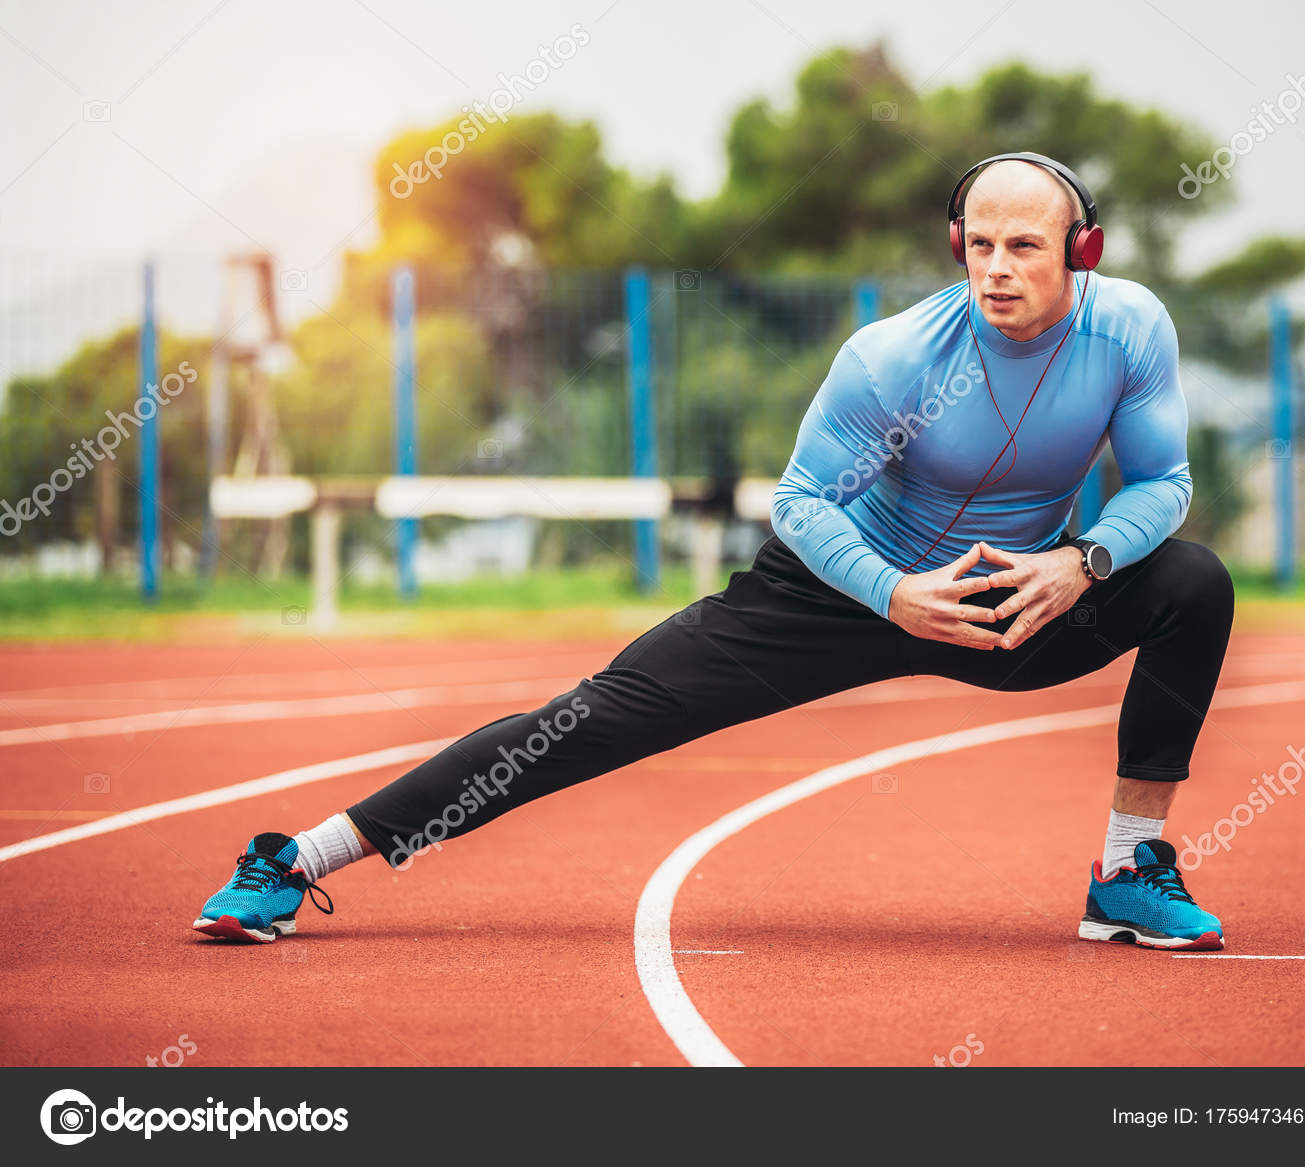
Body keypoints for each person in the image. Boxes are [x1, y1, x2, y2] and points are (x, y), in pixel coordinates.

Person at [194, 151, 1234, 952]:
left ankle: (1126, 872)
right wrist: (889, 592)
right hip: (838, 589)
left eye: (1025, 249)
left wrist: (1082, 562)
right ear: (958, 244)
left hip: (1012, 596)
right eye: (980, 248)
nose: (997, 271)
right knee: (583, 722)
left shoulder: (1129, 332)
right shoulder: (891, 359)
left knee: (1191, 583)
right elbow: (803, 501)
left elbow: (1163, 485)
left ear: (1081, 253)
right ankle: (297, 859)